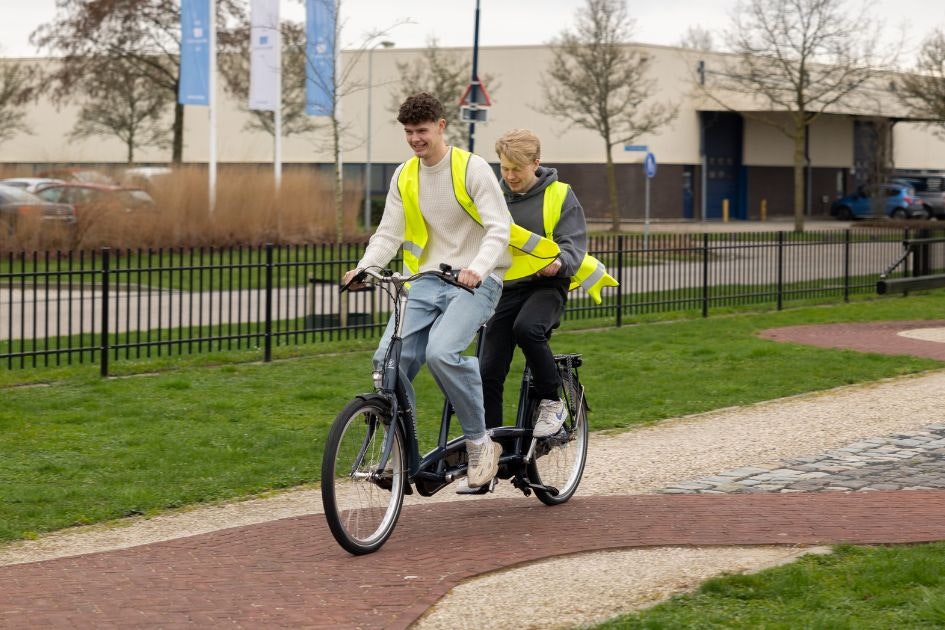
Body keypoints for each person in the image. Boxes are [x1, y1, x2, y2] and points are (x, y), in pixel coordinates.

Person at [342, 93, 509, 489]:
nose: (415, 139)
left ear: (440, 126)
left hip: (475, 282)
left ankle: (480, 442)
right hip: (425, 282)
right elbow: (390, 232)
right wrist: (366, 269)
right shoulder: (405, 175)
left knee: (441, 352)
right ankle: (403, 451)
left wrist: (477, 269)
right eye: (408, 132)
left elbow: (498, 228)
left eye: (422, 131)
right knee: (387, 362)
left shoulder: (472, 168)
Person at [480, 129, 589, 438]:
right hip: (506, 288)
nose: (510, 175)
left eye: (517, 168)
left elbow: (573, 246)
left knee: (527, 329)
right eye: (504, 167)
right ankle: (491, 444)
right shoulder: (494, 198)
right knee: (488, 370)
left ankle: (552, 402)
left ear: (536, 163)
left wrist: (558, 263)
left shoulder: (560, 194)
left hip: (547, 285)